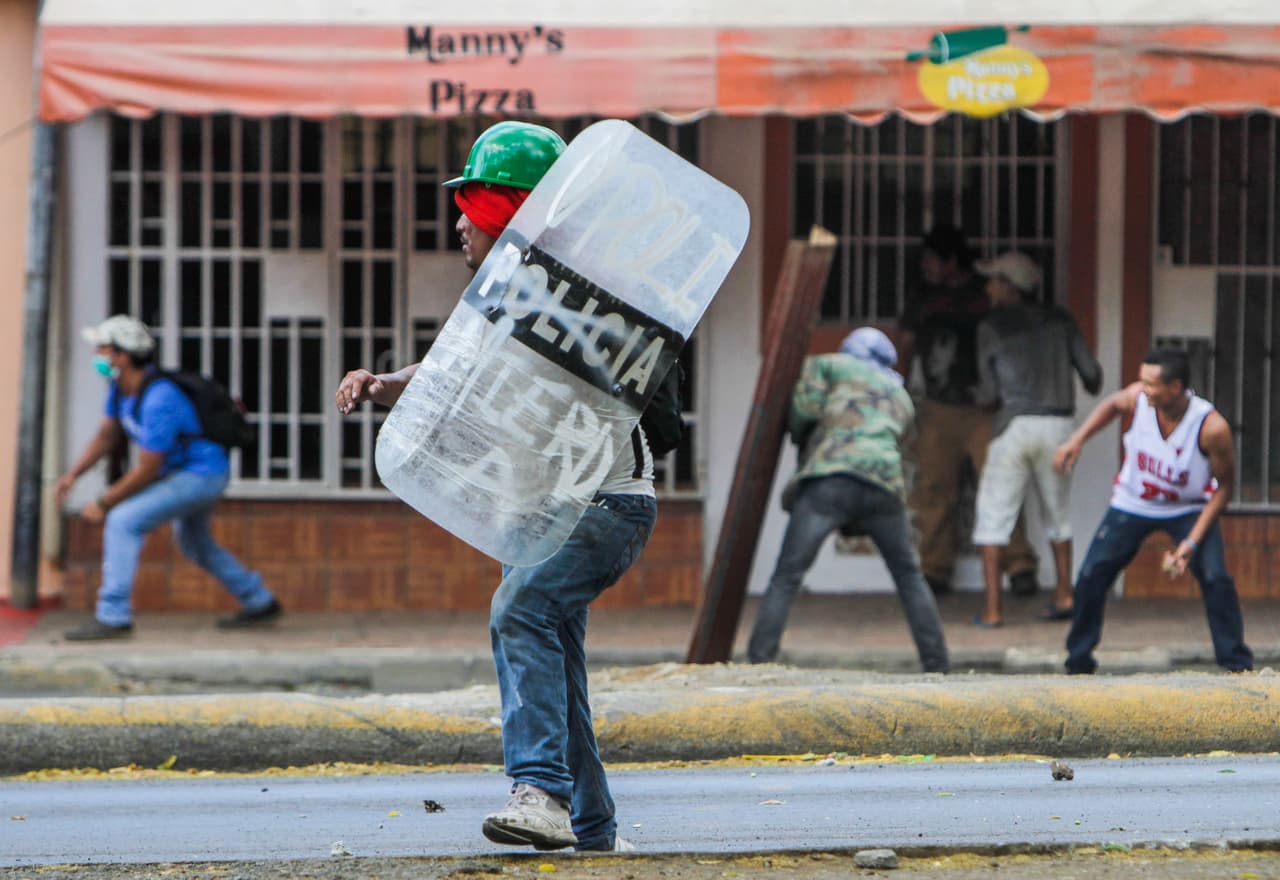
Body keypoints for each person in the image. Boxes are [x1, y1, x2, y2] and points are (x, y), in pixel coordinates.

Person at [334, 121, 653, 853]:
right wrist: (384, 384)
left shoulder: (578, 292)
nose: (457, 225)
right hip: (543, 507)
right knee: (555, 662)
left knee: (520, 612)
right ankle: (594, 829)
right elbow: (450, 372)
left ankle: (539, 793)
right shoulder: (508, 295)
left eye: (472, 207)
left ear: (509, 211)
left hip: (605, 503)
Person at [57, 315, 282, 640]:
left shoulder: (160, 398)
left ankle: (113, 615)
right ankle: (258, 600)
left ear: (123, 356)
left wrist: (105, 502)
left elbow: (148, 468)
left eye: (103, 350)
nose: (98, 357)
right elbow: (106, 437)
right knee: (194, 542)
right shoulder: (120, 390)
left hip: (201, 475)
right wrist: (73, 476)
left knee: (123, 520)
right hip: (184, 474)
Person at [746, 327, 949, 673]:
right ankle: (937, 663)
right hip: (883, 484)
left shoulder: (828, 365)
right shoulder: (899, 395)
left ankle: (759, 662)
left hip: (830, 478)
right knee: (909, 575)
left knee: (787, 575)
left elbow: (803, 414)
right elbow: (901, 438)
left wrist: (806, 436)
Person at [1053, 348, 1253, 674]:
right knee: (1091, 574)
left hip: (1189, 509)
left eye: (1150, 383)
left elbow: (1224, 489)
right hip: (1133, 503)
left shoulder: (1211, 427)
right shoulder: (1138, 400)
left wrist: (1190, 545)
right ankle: (1078, 662)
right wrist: (1076, 440)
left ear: (1175, 387)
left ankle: (1237, 666)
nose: (1141, 387)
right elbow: (1111, 405)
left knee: (1217, 579)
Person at [899, 223, 1039, 597]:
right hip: (937, 406)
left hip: (985, 408)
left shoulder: (986, 293)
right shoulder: (922, 298)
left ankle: (1020, 564)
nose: (925, 266)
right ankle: (934, 569)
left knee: (999, 485)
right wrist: (898, 390)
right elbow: (907, 344)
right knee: (933, 490)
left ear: (950, 261)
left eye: (932, 259)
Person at [970, 253, 1102, 627]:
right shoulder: (1061, 320)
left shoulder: (991, 326)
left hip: (1012, 428)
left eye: (994, 279)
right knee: (1058, 515)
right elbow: (1092, 375)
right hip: (1058, 426)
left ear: (1010, 286)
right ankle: (1064, 595)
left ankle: (993, 611)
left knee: (994, 517)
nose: (988, 286)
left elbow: (988, 393)